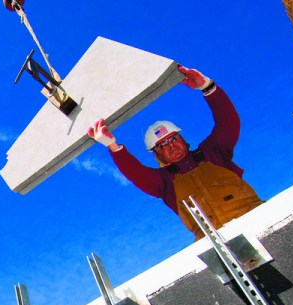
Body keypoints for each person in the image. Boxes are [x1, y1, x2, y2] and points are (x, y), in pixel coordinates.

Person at [88, 66, 262, 239]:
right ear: (156, 154)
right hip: (214, 242)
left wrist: (208, 87)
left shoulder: (213, 152)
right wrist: (112, 145)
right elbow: (135, 173)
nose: (171, 145)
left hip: (258, 219)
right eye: (162, 145)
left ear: (182, 138)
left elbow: (228, 121)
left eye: (173, 138)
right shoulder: (163, 183)